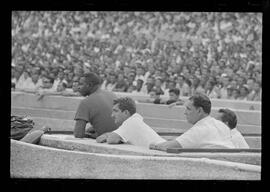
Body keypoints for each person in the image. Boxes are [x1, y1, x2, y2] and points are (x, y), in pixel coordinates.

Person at [149, 93, 235, 151]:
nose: (185, 112)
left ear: (199, 111)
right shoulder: (222, 125)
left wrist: (155, 145)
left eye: (188, 109)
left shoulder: (200, 129)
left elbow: (168, 147)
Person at [96, 97, 166, 148]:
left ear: (126, 112)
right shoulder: (134, 120)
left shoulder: (130, 122)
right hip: (162, 147)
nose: (112, 115)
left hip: (162, 149)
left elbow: (111, 139)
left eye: (115, 111)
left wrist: (106, 135)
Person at [74, 72, 118, 139]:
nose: (78, 87)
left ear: (90, 85)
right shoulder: (112, 95)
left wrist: (88, 135)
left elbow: (78, 134)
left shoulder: (85, 102)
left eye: (81, 84)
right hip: (122, 137)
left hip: (109, 140)